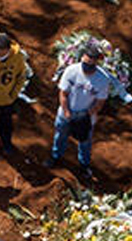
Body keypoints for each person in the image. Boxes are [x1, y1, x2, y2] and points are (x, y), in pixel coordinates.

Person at [44, 45, 111, 181]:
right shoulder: (71, 71)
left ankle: (84, 165)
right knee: (60, 136)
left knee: (85, 142)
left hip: (86, 118)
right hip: (65, 114)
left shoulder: (102, 79)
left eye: (91, 65)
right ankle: (56, 157)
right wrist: (67, 112)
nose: (87, 68)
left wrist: (86, 114)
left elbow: (100, 101)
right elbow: (63, 93)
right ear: (82, 58)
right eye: (86, 64)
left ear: (97, 63)